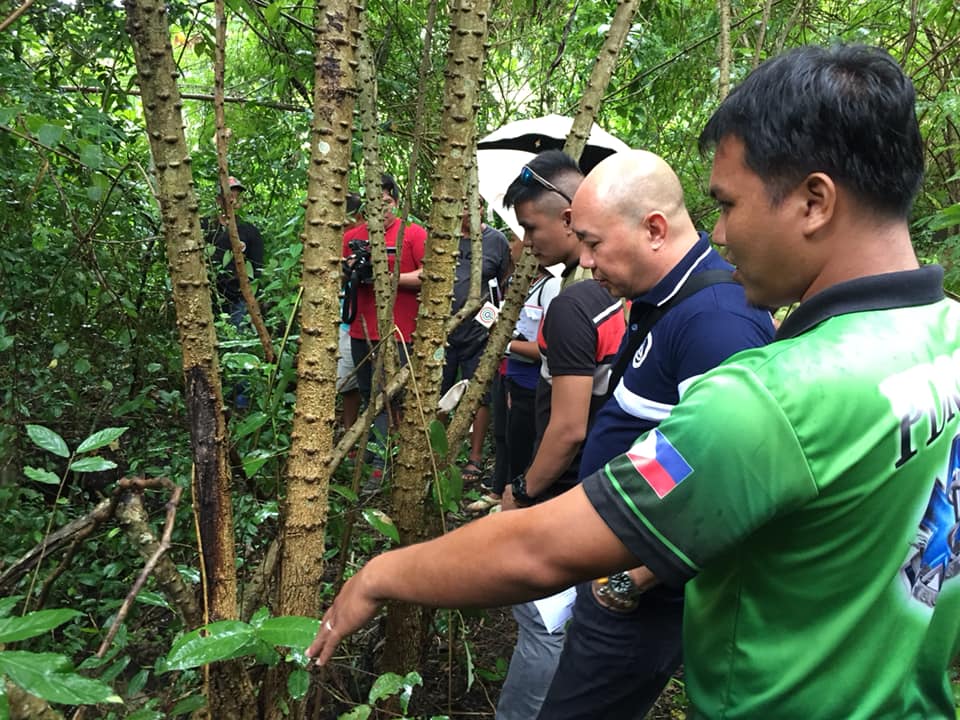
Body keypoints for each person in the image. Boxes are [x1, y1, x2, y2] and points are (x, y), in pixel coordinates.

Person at [308, 45, 960, 719]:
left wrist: (381, 575)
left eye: (729, 204)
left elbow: (542, 549)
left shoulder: (773, 399)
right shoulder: (949, 336)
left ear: (814, 201)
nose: (721, 233)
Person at [536, 149, 774, 720]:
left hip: (636, 593)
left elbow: (727, 474)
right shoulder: (660, 299)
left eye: (594, 244)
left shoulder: (715, 321)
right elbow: (674, 442)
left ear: (655, 229)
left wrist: (632, 575)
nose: (586, 262)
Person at [492, 150, 625, 720]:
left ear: (570, 217)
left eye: (531, 227)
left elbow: (568, 426)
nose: (526, 241)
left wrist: (522, 491)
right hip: (608, 487)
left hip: (568, 489)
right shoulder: (622, 295)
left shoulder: (574, 305)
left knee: (542, 621)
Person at [343, 174, 427, 488]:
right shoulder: (354, 235)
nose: (381, 209)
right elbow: (338, 274)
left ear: (394, 200)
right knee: (368, 395)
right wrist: (351, 271)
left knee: (391, 397)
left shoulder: (413, 233)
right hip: (360, 329)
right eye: (373, 203)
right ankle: (372, 451)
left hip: (399, 330)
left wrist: (389, 278)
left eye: (386, 202)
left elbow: (429, 272)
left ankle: (383, 462)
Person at [441, 200, 511, 483]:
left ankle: (475, 457)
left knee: (479, 394)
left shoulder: (496, 241)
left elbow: (502, 286)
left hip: (478, 336)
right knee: (439, 392)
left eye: (472, 206)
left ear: (481, 208)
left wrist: (486, 322)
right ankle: (438, 454)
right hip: (443, 333)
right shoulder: (445, 237)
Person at [204, 176, 264, 326]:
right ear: (218, 200)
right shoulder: (206, 227)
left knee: (237, 342)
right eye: (228, 196)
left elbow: (257, 268)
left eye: (236, 196)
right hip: (211, 296)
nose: (232, 200)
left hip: (239, 298)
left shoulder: (249, 231)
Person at [337, 192, 364, 433]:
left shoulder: (365, 235)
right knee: (347, 381)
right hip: (346, 319)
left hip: (368, 317)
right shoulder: (343, 238)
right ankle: (349, 431)